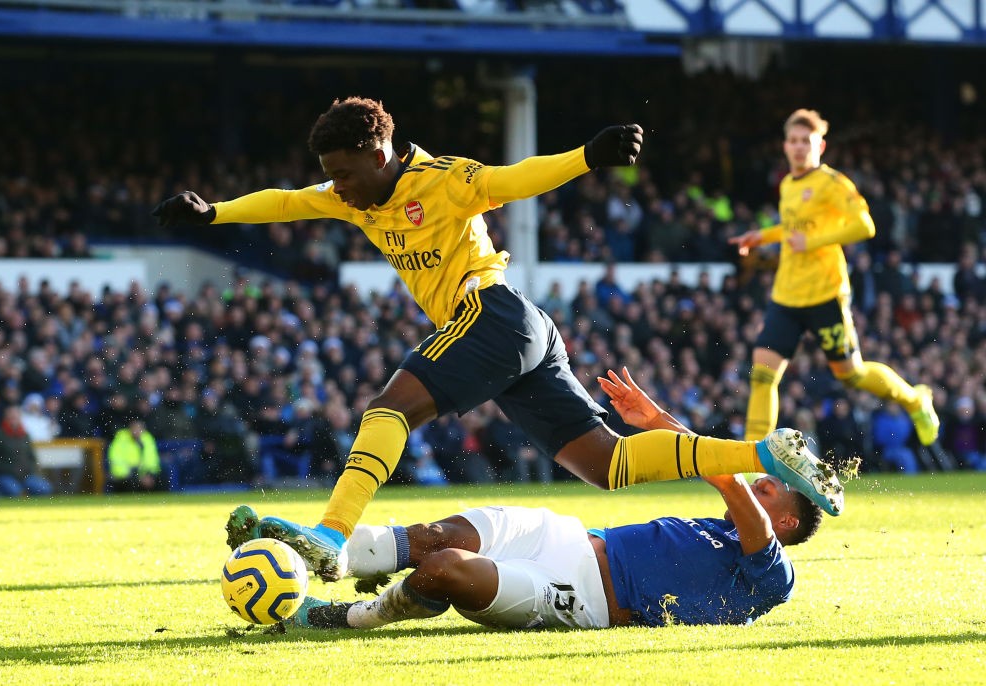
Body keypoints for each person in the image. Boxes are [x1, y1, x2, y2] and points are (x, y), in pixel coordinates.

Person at [156, 97, 841, 581]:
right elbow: (282, 199)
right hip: (521, 335)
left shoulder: (445, 180)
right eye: (330, 175)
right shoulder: (348, 193)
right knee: (606, 465)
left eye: (345, 171)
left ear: (380, 152)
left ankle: (330, 535)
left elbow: (513, 182)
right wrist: (213, 212)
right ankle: (764, 451)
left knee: (388, 411)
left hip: (493, 315)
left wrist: (585, 158)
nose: (336, 187)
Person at [241, 369, 826, 631]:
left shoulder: (774, 575)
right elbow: (710, 466)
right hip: (566, 538)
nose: (755, 482)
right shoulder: (726, 526)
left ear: (783, 520)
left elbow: (726, 478)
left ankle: (352, 616)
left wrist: (749, 459)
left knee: (443, 570)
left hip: (586, 600)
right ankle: (331, 554)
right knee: (437, 538)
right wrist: (655, 420)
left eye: (768, 486)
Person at [729, 109, 939, 447]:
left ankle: (916, 400)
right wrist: (763, 236)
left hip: (826, 293)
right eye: (793, 141)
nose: (799, 147)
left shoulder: (832, 183)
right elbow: (794, 228)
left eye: (806, 141)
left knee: (851, 374)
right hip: (787, 295)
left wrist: (812, 241)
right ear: (785, 145)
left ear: (820, 145)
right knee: (762, 375)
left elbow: (864, 225)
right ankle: (752, 462)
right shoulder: (787, 185)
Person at [0, 405, 54, 497]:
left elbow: (32, 457)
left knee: (45, 488)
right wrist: (8, 469)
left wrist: (29, 469)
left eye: (16, 417)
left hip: (26, 475)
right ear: (6, 418)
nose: (14, 420)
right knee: (14, 491)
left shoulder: (25, 436)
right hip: (5, 475)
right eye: (11, 417)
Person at [107, 417, 164, 492]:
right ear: (129, 429)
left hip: (143, 473)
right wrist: (137, 476)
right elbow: (116, 461)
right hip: (126, 475)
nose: (136, 431)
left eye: (139, 429)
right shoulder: (121, 438)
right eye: (134, 429)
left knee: (162, 477)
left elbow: (152, 460)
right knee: (131, 483)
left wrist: (148, 474)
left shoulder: (147, 438)